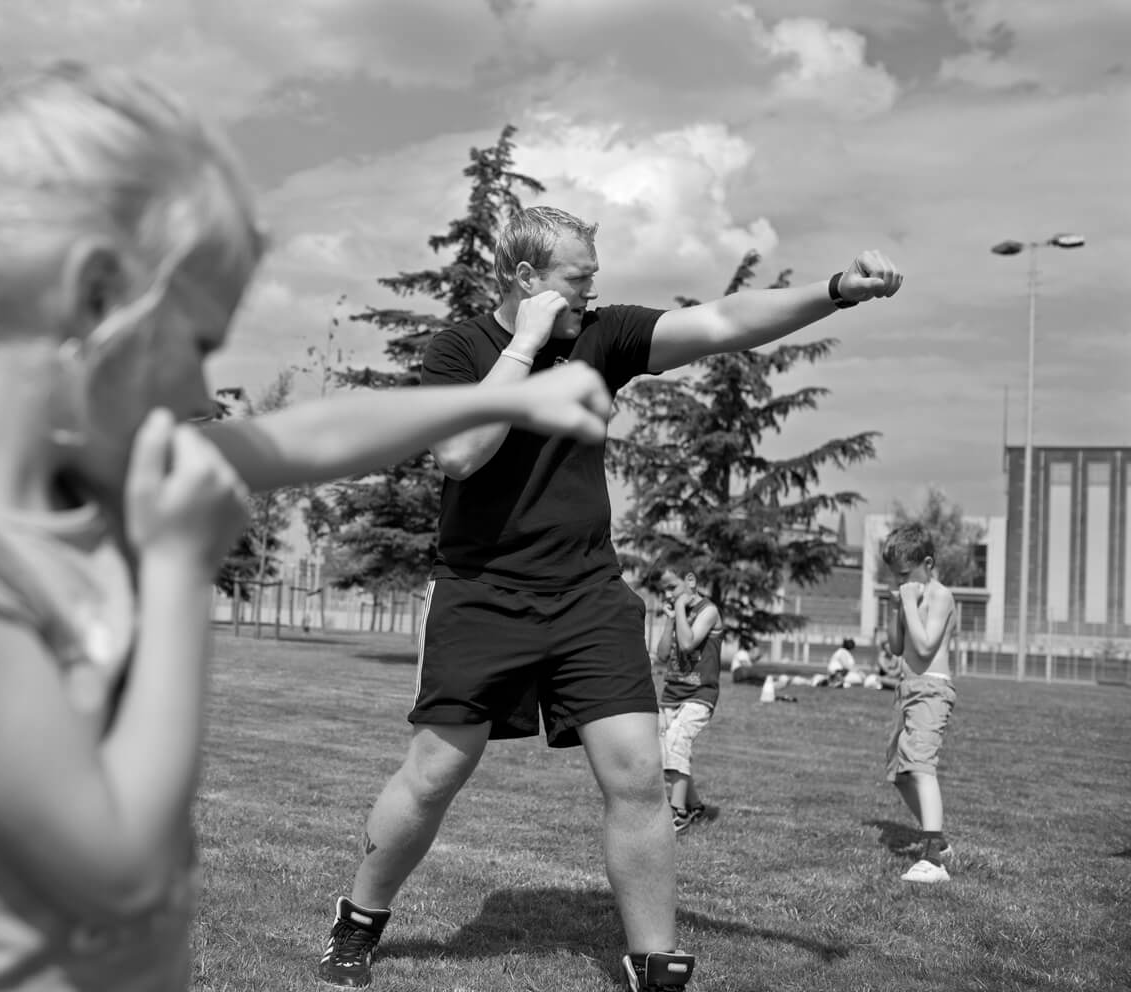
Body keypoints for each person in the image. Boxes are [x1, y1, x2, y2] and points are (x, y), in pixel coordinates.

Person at [0, 56, 618, 992]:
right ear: (80, 300)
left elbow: (309, 433)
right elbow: (109, 862)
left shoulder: (105, 464)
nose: (198, 390)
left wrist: (521, 396)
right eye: (192, 344)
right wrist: (180, 574)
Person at [315, 205, 903, 992]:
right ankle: (357, 924)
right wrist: (525, 344)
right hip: (483, 593)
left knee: (636, 772)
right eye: (577, 280)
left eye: (595, 280)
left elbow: (722, 322)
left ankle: (654, 964)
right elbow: (459, 454)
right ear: (525, 280)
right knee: (432, 775)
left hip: (589, 593)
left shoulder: (602, 335)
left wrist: (836, 290)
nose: (592, 296)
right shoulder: (457, 349)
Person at [880, 523, 959, 884]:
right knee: (899, 773)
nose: (901, 583)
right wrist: (894, 608)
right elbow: (897, 646)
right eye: (896, 577)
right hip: (907, 688)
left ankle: (933, 859)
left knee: (921, 765)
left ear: (927, 563)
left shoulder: (939, 596)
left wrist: (910, 603)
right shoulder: (908, 597)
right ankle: (938, 840)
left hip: (931, 689)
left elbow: (926, 646)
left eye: (905, 575)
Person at [654, 563, 722, 834]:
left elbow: (687, 643)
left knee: (677, 741)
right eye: (665, 590)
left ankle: (677, 812)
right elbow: (661, 655)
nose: (668, 595)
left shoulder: (709, 611)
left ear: (690, 580)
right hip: (671, 695)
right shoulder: (677, 613)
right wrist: (670, 619)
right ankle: (695, 806)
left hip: (699, 695)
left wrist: (680, 611)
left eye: (672, 587)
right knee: (666, 752)